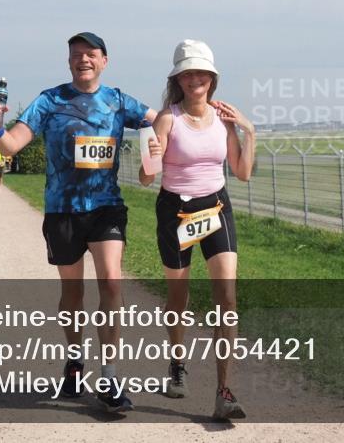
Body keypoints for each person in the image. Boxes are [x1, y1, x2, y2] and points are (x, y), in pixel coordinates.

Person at [0, 32, 156, 413]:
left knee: (111, 281)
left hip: (106, 206)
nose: (84, 60)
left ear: (105, 60)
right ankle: (75, 359)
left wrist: (184, 126)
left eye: (91, 54)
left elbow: (162, 122)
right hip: (62, 210)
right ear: (69, 62)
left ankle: (109, 375)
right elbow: (10, 146)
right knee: (73, 292)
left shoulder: (119, 100)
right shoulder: (50, 100)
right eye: (76, 55)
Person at [139, 39, 256, 420]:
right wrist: (151, 157)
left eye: (201, 72)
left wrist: (248, 131)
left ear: (212, 78)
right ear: (179, 78)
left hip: (216, 206)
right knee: (179, 299)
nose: (195, 79)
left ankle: (224, 391)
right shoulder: (168, 119)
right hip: (176, 211)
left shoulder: (224, 118)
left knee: (227, 299)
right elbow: (145, 178)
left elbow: (241, 172)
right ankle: (177, 364)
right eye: (188, 73)